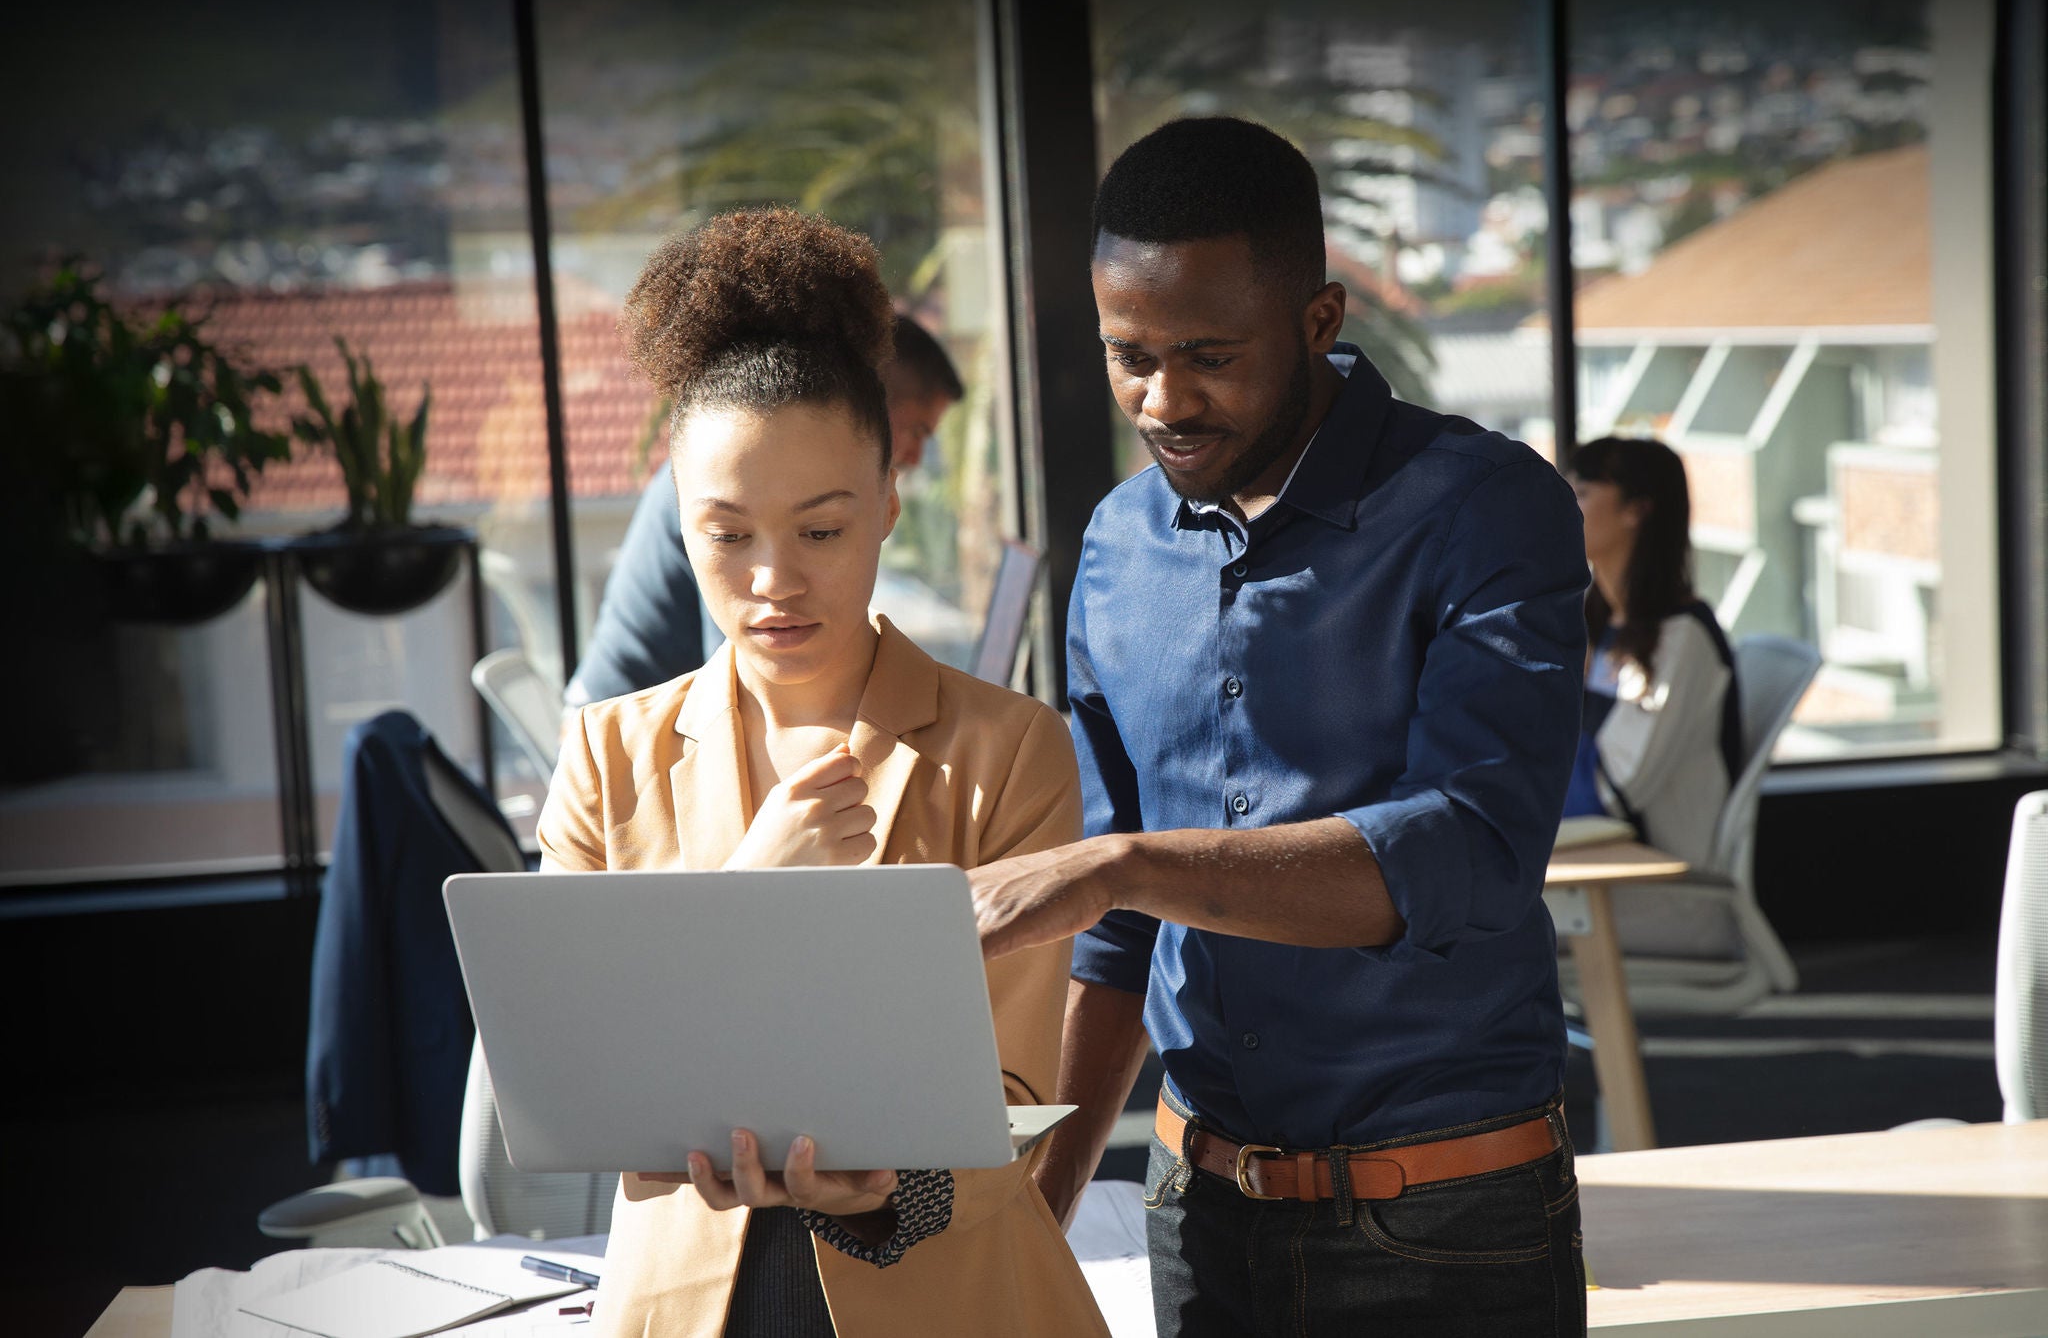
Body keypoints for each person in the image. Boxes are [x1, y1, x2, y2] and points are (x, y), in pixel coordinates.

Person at [968, 117, 1593, 1336]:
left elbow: (1466, 850)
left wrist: (1125, 868)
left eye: (1206, 354)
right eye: (1127, 353)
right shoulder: (1114, 542)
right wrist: (1035, 1218)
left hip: (1444, 1224)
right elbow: (1115, 947)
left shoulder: (1485, 507)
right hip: (1195, 1211)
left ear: (1319, 319)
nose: (1163, 398)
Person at [536, 208, 1108, 1338]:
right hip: (685, 1305)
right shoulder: (607, 757)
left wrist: (895, 1178)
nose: (770, 581)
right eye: (726, 534)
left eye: (820, 530)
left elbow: (1008, 1106)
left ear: (889, 501)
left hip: (946, 1298)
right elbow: (585, 1089)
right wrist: (759, 884)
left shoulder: (1008, 752)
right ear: (680, 527)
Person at [564, 313, 964, 708]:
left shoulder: (1007, 743)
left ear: (888, 509)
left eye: (821, 532)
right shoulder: (708, 484)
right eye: (917, 430)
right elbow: (747, 685)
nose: (773, 584)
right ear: (871, 399)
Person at [1561, 434, 1742, 869]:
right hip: (1596, 858)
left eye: (1581, 492)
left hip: (1650, 877)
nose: (1561, 504)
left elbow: (1615, 788)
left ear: (1636, 510)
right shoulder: (1598, 626)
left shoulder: (1680, 638)